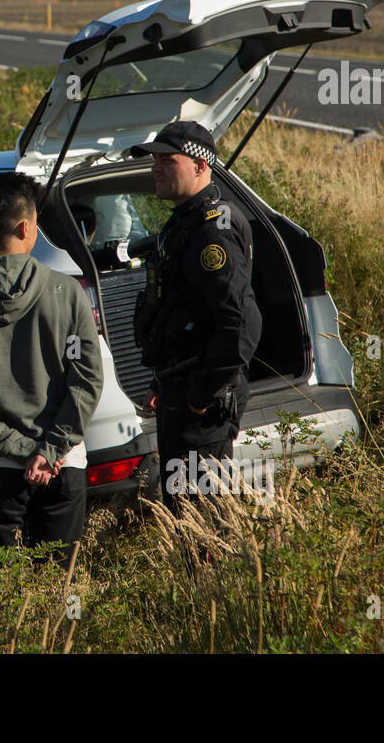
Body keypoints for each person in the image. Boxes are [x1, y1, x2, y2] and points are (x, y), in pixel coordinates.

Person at [0, 172, 104, 565]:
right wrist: (49, 449)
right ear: (26, 226)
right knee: (56, 589)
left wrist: (21, 449)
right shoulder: (68, 293)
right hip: (62, 465)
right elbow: (87, 381)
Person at [131, 121, 262, 509]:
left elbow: (242, 323)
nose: (156, 167)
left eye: (167, 160)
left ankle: (207, 571)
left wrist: (201, 396)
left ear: (201, 166)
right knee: (182, 509)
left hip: (202, 403)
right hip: (180, 386)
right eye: (154, 160)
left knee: (200, 518)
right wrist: (162, 382)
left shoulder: (211, 231)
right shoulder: (185, 221)